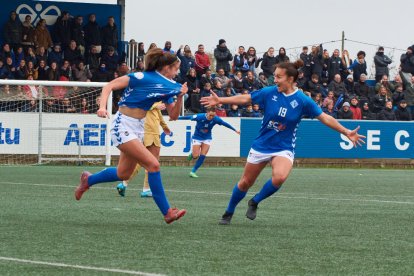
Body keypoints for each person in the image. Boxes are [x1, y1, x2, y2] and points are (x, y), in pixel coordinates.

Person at [200, 60, 365, 225]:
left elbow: (325, 117)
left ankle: (255, 201)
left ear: (291, 79)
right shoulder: (269, 92)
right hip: (262, 145)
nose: (275, 80)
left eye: (279, 77)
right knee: (245, 183)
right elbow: (246, 99)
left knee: (279, 177)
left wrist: (346, 132)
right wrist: (220, 100)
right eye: (275, 77)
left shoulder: (303, 100)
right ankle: (229, 212)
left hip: (283, 147)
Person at [74, 48, 188, 224]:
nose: (177, 72)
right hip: (123, 124)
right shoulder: (141, 77)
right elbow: (109, 86)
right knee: (153, 164)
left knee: (123, 173)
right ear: (166, 67)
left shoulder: (171, 86)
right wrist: (102, 107)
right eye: (176, 69)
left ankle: (88, 180)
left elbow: (173, 116)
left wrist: (180, 96)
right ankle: (167, 212)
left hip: (139, 128)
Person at [116, 101, 172, 197]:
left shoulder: (155, 98)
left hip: (152, 132)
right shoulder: (148, 97)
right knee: (152, 162)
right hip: (149, 132)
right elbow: (143, 104)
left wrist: (164, 126)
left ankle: (124, 183)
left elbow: (158, 113)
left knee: (140, 162)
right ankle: (146, 189)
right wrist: (155, 105)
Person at [178, 106, 240, 178]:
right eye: (210, 115)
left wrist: (235, 130)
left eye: (213, 115)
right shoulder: (199, 116)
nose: (211, 117)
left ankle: (193, 171)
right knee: (195, 156)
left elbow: (225, 124)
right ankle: (192, 154)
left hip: (207, 138)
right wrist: (176, 118)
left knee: (203, 155)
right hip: (197, 137)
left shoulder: (216, 119)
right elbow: (188, 117)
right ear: (207, 112)